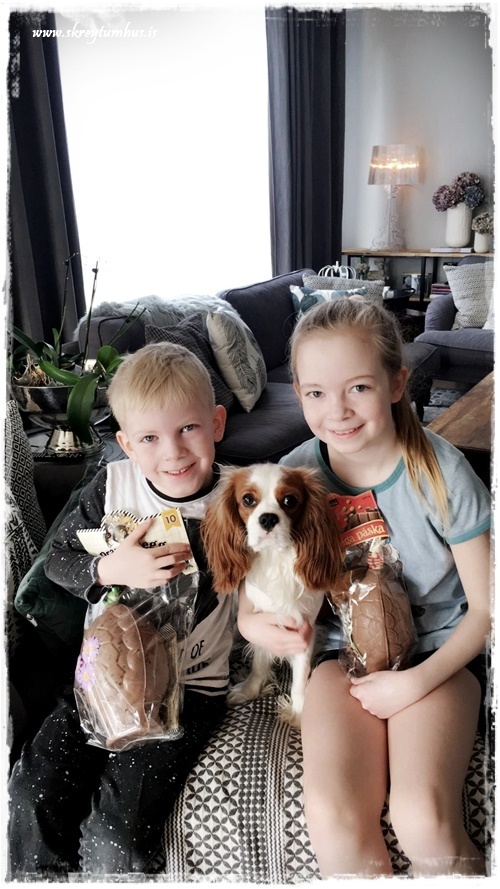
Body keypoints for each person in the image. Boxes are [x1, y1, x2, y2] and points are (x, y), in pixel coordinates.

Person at [236, 298, 491, 877]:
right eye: (317, 393)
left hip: (435, 656)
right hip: (338, 658)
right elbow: (256, 576)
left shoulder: (444, 474)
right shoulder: (293, 477)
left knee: (421, 816)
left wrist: (414, 683)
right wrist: (251, 621)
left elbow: (486, 610)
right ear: (298, 395)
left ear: (397, 382)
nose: (339, 411)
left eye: (358, 387)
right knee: (332, 816)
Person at [8, 342, 234, 877]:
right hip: (99, 683)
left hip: (189, 692)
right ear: (126, 444)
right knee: (30, 794)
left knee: (119, 832)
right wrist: (109, 568)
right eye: (150, 438)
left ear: (217, 423)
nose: (173, 452)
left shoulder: (240, 497)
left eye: (188, 428)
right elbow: (57, 562)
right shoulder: (111, 488)